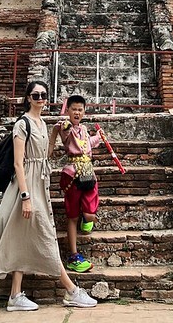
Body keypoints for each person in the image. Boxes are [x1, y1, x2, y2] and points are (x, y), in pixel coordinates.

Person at [0, 80, 97, 312]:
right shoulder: (22, 125)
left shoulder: (41, 123)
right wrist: (25, 197)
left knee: (21, 236)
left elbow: (47, 155)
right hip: (27, 185)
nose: (40, 99)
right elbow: (18, 164)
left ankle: (15, 295)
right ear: (28, 98)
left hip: (40, 182)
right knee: (46, 234)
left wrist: (53, 133)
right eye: (35, 95)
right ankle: (71, 290)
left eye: (43, 95)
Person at [49, 94, 103, 273]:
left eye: (80, 109)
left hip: (87, 173)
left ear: (84, 111)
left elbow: (87, 145)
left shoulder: (84, 129)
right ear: (68, 111)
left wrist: (98, 137)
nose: (77, 112)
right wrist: (63, 125)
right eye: (74, 109)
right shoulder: (67, 128)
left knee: (89, 214)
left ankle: (87, 219)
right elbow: (61, 128)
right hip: (72, 174)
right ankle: (73, 256)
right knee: (72, 216)